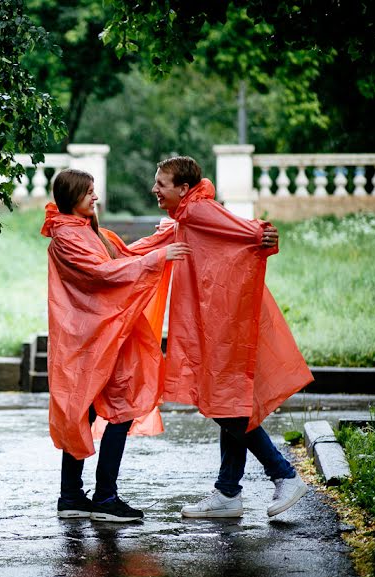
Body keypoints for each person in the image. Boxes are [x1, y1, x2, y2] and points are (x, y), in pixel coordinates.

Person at [127, 156, 313, 518]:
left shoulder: (197, 211)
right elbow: (153, 243)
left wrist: (262, 234)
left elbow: (247, 231)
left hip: (220, 326)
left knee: (223, 404)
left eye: (160, 184)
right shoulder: (186, 216)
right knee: (228, 401)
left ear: (182, 189)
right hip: (213, 324)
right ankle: (228, 492)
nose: (154, 189)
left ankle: (283, 474)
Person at [42, 169, 191, 522]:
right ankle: (104, 498)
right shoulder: (69, 237)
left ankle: (72, 496)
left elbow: (123, 255)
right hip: (90, 337)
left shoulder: (85, 231)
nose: (95, 197)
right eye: (89, 192)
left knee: (88, 410)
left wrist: (164, 239)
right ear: (72, 197)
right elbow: (103, 273)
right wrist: (159, 257)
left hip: (99, 335)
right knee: (118, 410)